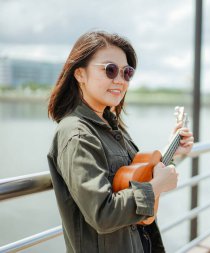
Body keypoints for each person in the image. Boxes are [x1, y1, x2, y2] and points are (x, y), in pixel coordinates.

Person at [47, 30, 193, 253]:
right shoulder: (77, 134)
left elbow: (133, 177)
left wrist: (174, 150)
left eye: (127, 73)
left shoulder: (110, 125)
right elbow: (103, 214)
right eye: (110, 70)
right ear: (80, 74)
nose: (120, 80)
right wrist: (156, 187)